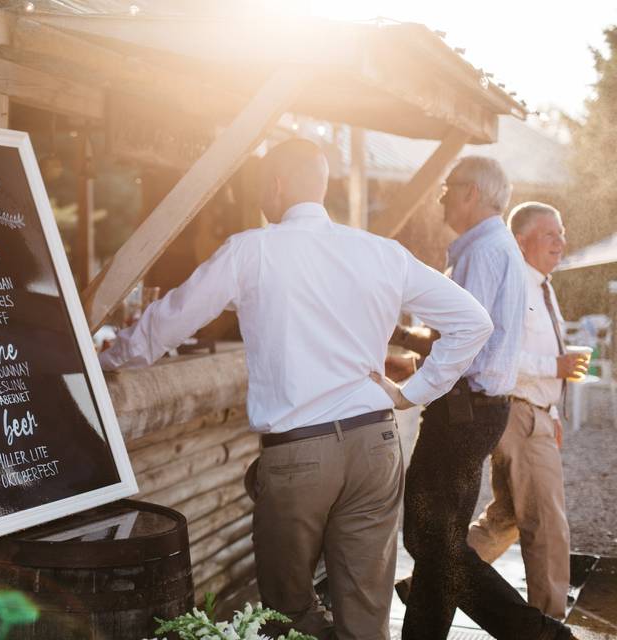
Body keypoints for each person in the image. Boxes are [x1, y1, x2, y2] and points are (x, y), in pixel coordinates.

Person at [99, 139, 493, 640]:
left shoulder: (252, 250)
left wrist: (105, 358)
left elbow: (166, 324)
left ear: (277, 185)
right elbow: (474, 321)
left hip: (299, 454)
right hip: (375, 444)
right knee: (367, 615)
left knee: (285, 613)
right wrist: (414, 392)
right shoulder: (380, 252)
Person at [389, 158, 577, 640]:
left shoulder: (483, 252)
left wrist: (410, 385)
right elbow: (468, 338)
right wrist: (405, 341)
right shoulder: (493, 248)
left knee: (428, 538)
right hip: (478, 411)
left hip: (463, 412)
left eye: (448, 189)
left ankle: (538, 634)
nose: (441, 198)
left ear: (471, 192)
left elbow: (463, 339)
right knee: (440, 541)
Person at [466, 202, 581, 618]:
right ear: (520, 240)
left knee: (509, 514)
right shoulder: (515, 288)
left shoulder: (543, 287)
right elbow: (500, 355)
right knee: (548, 525)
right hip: (517, 412)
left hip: (536, 412)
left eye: (562, 232)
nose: (560, 241)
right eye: (549, 234)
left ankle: (433, 579)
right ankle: (549, 624)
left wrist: (552, 413)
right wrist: (553, 369)